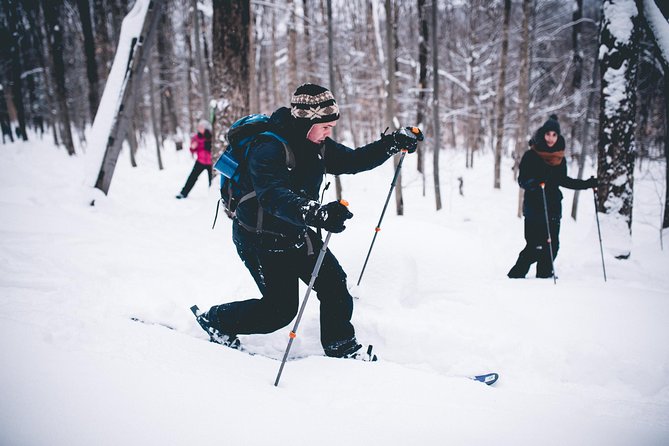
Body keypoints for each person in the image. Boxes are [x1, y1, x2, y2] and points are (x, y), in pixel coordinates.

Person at [195, 83, 420, 360]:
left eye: (331, 126)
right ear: (306, 121)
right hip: (260, 239)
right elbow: (273, 197)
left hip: (295, 232)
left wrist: (391, 144)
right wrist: (317, 213)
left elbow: (352, 160)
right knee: (279, 312)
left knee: (334, 285)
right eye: (325, 126)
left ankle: (341, 347)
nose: (329, 132)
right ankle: (216, 320)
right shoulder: (267, 147)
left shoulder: (317, 145)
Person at [508, 114, 597, 279]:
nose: (550, 138)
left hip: (553, 207)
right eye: (548, 134)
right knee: (534, 246)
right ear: (543, 134)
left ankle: (544, 275)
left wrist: (586, 184)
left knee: (552, 246)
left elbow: (563, 180)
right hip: (534, 207)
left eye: (554, 135)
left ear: (558, 136)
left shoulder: (559, 158)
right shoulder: (531, 155)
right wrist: (535, 182)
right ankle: (516, 275)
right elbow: (522, 181)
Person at [176, 120, 213, 199]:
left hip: (211, 162)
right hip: (200, 161)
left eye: (201, 127)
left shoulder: (211, 136)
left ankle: (213, 196)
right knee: (192, 177)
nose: (199, 128)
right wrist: (193, 147)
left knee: (212, 180)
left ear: (205, 128)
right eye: (199, 127)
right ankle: (183, 193)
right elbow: (192, 149)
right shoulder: (196, 137)